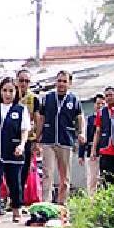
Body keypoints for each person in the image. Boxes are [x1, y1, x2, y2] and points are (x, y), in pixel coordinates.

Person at [35, 70, 86, 204]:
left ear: (69, 83)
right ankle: (46, 203)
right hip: (48, 140)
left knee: (64, 177)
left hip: (65, 140)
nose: (61, 84)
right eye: (59, 81)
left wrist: (81, 133)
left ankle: (62, 203)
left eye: (64, 81)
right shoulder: (47, 98)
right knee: (47, 173)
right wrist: (37, 139)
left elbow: (80, 118)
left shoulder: (74, 99)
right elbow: (41, 119)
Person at [0, 76, 30, 223]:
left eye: (11, 91)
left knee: (15, 182)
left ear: (16, 92)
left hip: (13, 151)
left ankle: (16, 208)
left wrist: (22, 145)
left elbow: (24, 130)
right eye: (5, 90)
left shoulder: (21, 110)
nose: (8, 94)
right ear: (0, 91)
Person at [15, 69, 40, 205]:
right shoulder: (10, 95)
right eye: (21, 80)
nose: (23, 83)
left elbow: (38, 120)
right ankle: (11, 197)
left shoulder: (33, 99)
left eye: (27, 81)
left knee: (24, 170)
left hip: (27, 140)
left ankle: (19, 200)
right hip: (10, 139)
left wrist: (37, 140)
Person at [78, 92, 104, 195]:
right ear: (94, 105)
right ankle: (92, 201)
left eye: (103, 104)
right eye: (98, 104)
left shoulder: (108, 119)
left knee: (104, 178)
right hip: (92, 153)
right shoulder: (89, 120)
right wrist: (81, 155)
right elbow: (83, 137)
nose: (100, 106)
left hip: (106, 153)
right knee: (92, 178)